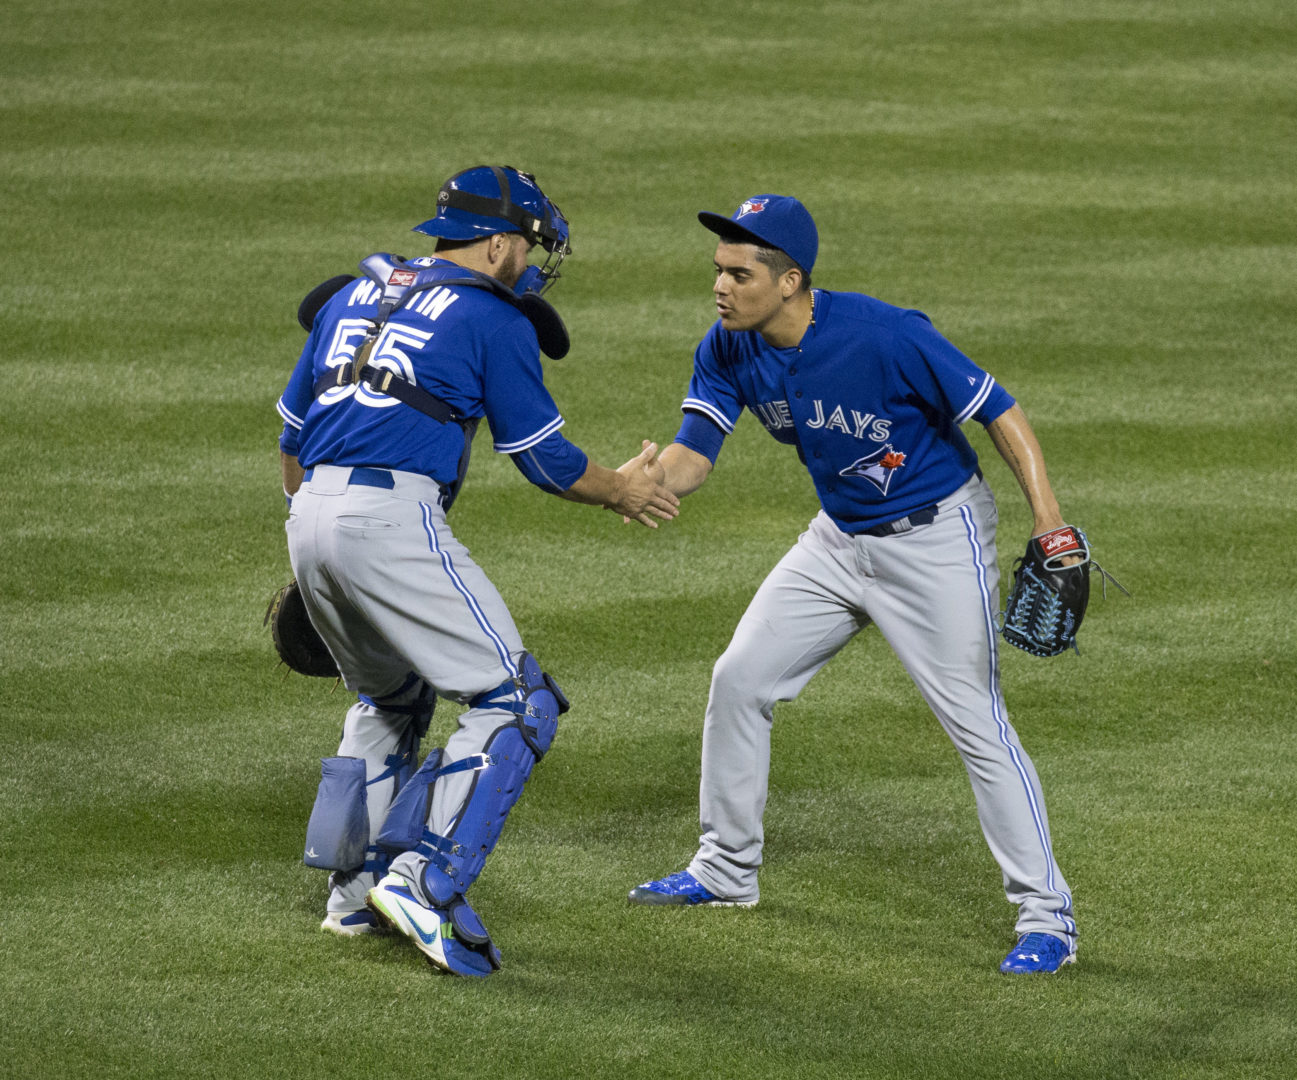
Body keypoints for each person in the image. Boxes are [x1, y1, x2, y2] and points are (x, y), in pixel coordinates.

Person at [626, 194, 1078, 974]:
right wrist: (642, 482)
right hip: (837, 540)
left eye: (738, 273)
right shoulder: (729, 346)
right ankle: (725, 871)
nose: (720, 287)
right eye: (717, 270)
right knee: (740, 679)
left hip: (935, 538)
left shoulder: (886, 334)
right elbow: (694, 449)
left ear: (789, 279)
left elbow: (1000, 413)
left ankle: (1048, 920)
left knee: (975, 721)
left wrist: (1050, 525)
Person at [276, 165, 678, 977]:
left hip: (309, 511)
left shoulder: (353, 298)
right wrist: (623, 489)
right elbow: (546, 461)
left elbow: (293, 435)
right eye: (527, 246)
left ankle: (352, 897)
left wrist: (317, 551)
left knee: (389, 697)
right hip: (387, 518)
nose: (530, 261)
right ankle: (424, 882)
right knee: (516, 700)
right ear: (496, 243)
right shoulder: (492, 317)